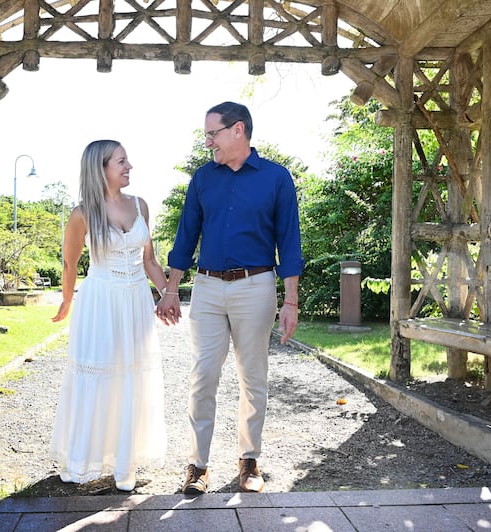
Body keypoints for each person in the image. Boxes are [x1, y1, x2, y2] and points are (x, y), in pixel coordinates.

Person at [156, 102, 304, 495]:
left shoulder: (276, 178)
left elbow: (290, 242)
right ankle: (197, 465)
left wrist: (290, 302)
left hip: (255, 286)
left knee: (252, 376)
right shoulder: (204, 178)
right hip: (206, 288)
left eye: (212, 134)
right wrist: (171, 289)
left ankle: (249, 459)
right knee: (203, 374)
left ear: (238, 130)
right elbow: (186, 235)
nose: (208, 143)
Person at [50, 139, 168, 492]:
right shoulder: (82, 213)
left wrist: (168, 294)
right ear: (100, 168)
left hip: (135, 302)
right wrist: (67, 300)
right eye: (121, 161)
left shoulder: (141, 205)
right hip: (100, 300)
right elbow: (70, 264)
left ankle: (124, 463)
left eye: (127, 160)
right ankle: (81, 459)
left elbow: (149, 260)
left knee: (131, 377)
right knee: (97, 376)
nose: (129, 166)